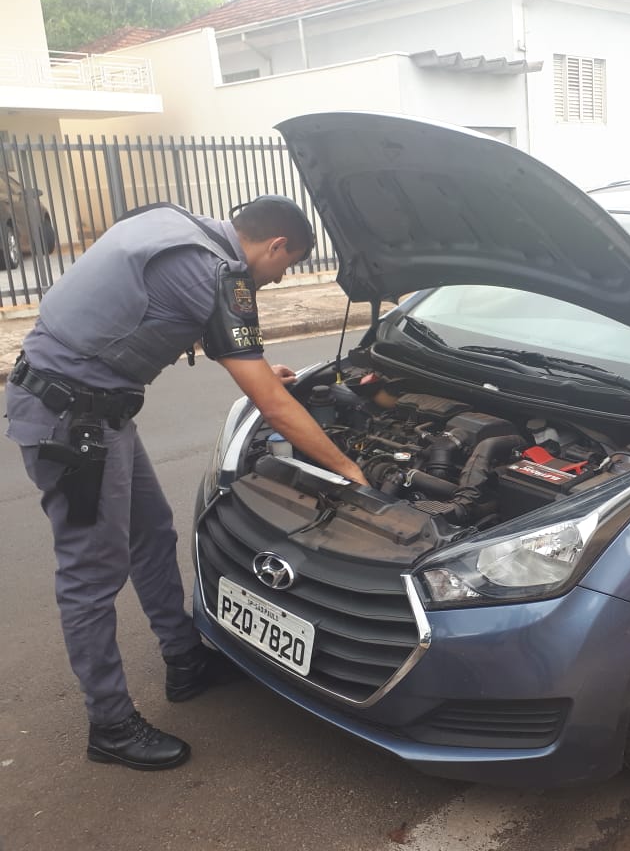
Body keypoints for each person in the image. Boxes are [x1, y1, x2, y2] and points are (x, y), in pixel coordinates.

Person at [4, 196, 368, 771]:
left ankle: (184, 660)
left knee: (151, 532)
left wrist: (248, 364)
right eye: (285, 267)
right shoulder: (213, 271)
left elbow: (142, 312)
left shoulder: (169, 223)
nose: (276, 282)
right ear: (276, 246)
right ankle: (110, 724)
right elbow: (271, 405)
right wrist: (349, 470)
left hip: (95, 410)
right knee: (90, 575)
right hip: (72, 423)